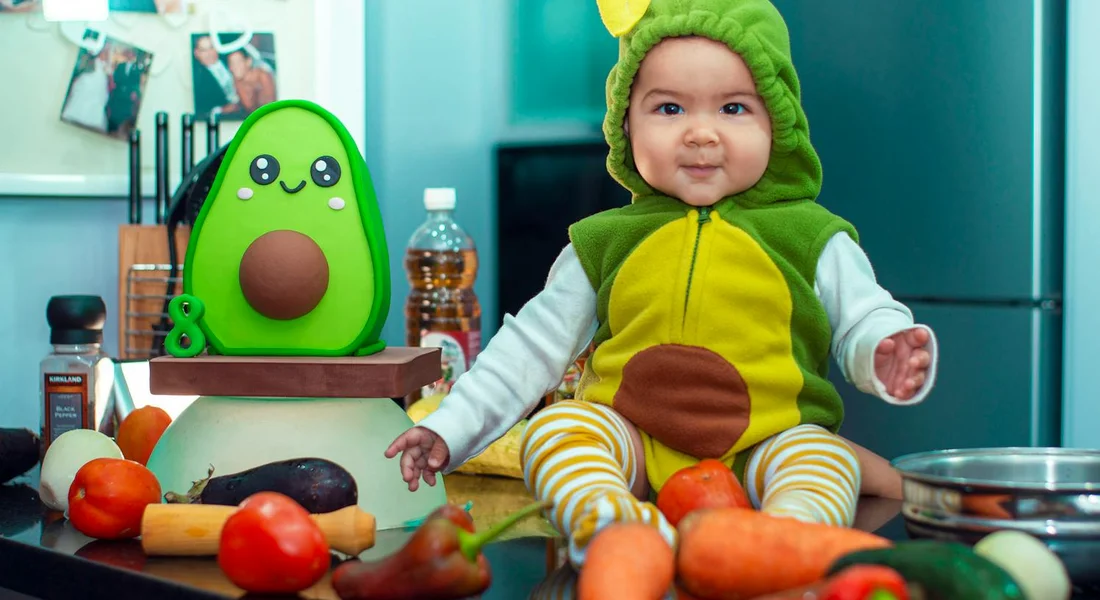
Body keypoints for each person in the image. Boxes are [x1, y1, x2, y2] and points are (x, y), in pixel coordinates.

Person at [386, 0, 939, 567]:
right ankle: (610, 522)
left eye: (733, 107)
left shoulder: (812, 236)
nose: (701, 134)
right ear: (625, 124)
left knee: (822, 456)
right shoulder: (603, 242)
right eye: (670, 108)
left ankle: (784, 538)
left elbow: (866, 317)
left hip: (766, 448)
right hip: (635, 450)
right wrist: (450, 429)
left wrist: (883, 351)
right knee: (557, 430)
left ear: (779, 121)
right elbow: (528, 350)